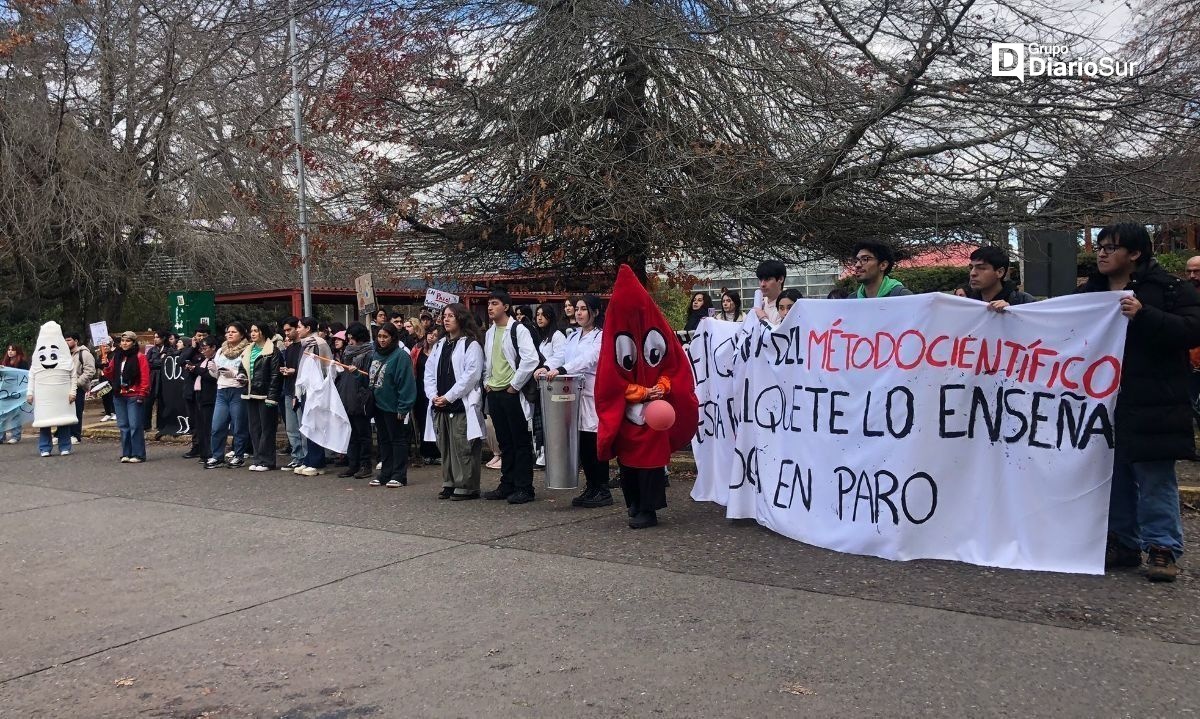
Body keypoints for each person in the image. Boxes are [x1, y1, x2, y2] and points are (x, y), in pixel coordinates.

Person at [1079, 223, 1200, 583]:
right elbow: (1052, 323)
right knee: (1111, 476)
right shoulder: (1089, 292)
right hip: (1103, 401)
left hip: (1153, 400)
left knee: (1154, 476)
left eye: (1110, 247)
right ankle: (1122, 542)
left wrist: (1144, 315)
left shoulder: (1169, 289)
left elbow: (1191, 331)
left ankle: (1162, 548)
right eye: (1099, 246)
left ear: (1134, 253)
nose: (1101, 253)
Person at [539, 295, 609, 507]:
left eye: (583, 309)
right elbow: (561, 356)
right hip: (573, 396)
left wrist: (562, 370)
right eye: (576, 309)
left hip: (590, 395)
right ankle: (591, 486)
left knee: (593, 442)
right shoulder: (572, 335)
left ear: (595, 312)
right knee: (581, 443)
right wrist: (546, 367)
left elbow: (588, 359)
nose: (578, 313)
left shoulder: (601, 336)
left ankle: (602, 489)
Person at [481, 289, 540, 504]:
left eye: (494, 303)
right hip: (495, 391)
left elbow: (530, 359)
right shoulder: (490, 332)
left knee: (520, 442)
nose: (490, 307)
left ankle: (525, 487)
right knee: (504, 442)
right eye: (489, 303)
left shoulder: (518, 329)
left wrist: (514, 386)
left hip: (511, 393)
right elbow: (489, 360)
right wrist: (488, 382)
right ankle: (507, 483)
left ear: (505, 307)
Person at [426, 303, 486, 500]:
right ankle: (449, 482)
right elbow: (429, 372)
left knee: (463, 447)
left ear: (460, 318)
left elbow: (471, 375)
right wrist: (433, 395)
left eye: (451, 315)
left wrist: (449, 396)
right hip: (440, 404)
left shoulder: (471, 344)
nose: (446, 319)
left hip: (461, 404)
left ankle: (467, 485)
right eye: (444, 316)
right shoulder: (440, 345)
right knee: (445, 446)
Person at [368, 322, 416, 487]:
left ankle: (399, 474)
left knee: (397, 439)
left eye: (385, 337)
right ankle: (385, 473)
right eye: (379, 336)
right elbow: (372, 380)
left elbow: (406, 383)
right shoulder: (375, 354)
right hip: (378, 405)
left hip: (393, 405)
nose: (382, 340)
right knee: (383, 440)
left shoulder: (401, 356)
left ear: (393, 338)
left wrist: (403, 407)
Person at [205, 322, 251, 469]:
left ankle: (238, 455)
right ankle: (217, 456)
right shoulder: (220, 350)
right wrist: (213, 370)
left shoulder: (247, 350)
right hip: (222, 390)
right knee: (217, 425)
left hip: (238, 389)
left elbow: (249, 374)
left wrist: (235, 374)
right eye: (227, 332)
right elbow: (216, 375)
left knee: (238, 426)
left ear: (242, 334)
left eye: (233, 332)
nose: (229, 334)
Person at [101, 331, 151, 463]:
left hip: (134, 394)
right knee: (123, 425)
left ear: (133, 342)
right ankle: (126, 453)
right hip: (119, 394)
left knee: (135, 425)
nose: (124, 343)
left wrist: (142, 392)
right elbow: (110, 374)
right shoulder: (117, 356)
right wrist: (105, 366)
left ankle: (138, 454)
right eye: (123, 341)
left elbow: (145, 376)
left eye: (128, 341)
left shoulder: (140, 357)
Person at [293, 316, 333, 476]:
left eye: (299, 327)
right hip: (306, 390)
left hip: (316, 390)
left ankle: (316, 461)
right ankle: (311, 459)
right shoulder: (307, 344)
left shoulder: (317, 343)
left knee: (315, 423)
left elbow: (324, 366)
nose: (297, 330)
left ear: (308, 328)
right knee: (309, 423)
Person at [335, 323, 375, 479]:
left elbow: (369, 377)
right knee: (350, 433)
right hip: (347, 395)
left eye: (352, 338)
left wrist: (358, 373)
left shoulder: (369, 353)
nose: (350, 341)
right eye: (348, 338)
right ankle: (353, 464)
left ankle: (365, 465)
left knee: (363, 434)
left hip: (360, 397)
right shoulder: (347, 352)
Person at [241, 322, 282, 472]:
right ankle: (258, 459)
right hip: (250, 394)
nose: (252, 333)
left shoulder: (273, 351)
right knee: (254, 429)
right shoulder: (247, 350)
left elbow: (275, 376)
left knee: (267, 429)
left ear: (263, 332)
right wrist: (241, 376)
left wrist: (272, 397)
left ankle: (268, 461)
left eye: (256, 331)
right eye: (251, 331)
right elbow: (242, 368)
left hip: (265, 395)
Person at [532, 302, 567, 466]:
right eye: (537, 314)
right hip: (542, 384)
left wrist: (545, 367)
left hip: (552, 382)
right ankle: (542, 453)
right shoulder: (542, 337)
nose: (539, 318)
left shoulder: (557, 336)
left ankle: (552, 455)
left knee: (552, 420)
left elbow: (560, 356)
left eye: (542, 315)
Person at [276, 317, 306, 470]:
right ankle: (297, 456)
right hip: (288, 389)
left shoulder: (305, 346)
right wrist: (285, 370)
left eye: (290, 329)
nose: (286, 333)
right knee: (291, 428)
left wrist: (294, 371)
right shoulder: (289, 348)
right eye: (285, 330)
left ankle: (306, 458)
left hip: (300, 391)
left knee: (302, 426)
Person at [965, 246, 1036, 311]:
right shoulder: (965, 303)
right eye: (971, 268)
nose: (972, 273)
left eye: (981, 268)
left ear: (999, 272)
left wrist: (1013, 311)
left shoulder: (1025, 302)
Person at [184, 336, 219, 463]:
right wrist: (192, 369)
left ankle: (210, 453)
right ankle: (204, 454)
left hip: (209, 396)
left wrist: (196, 369)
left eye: (205, 348)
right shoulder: (204, 360)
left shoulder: (216, 360)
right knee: (200, 426)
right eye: (201, 349)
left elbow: (212, 376)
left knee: (208, 426)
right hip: (199, 394)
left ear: (213, 347)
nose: (203, 351)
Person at [410, 326, 442, 466]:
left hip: (436, 391)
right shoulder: (418, 350)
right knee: (422, 421)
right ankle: (425, 452)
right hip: (419, 390)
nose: (431, 337)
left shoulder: (441, 351)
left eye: (435, 335)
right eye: (430, 333)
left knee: (435, 422)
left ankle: (437, 452)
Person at [65, 332, 96, 443]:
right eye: (65, 340)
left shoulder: (85, 354)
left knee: (77, 410)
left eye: (69, 340)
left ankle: (75, 435)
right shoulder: (63, 354)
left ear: (76, 341)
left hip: (78, 387)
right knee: (64, 411)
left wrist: (77, 383)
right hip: (64, 387)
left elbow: (90, 371)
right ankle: (62, 434)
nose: (66, 342)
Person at [1, 344, 30, 443]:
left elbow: (25, 375)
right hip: (6, 392)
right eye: (9, 349)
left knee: (16, 414)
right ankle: (1, 436)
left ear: (17, 351)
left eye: (12, 350)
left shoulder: (22, 363)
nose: (10, 352)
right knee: (2, 414)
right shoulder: (5, 363)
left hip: (18, 392)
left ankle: (15, 436)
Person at [143, 330, 168, 432]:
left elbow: (166, 362)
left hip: (163, 377)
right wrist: (159, 361)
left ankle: (161, 425)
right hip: (152, 377)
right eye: (155, 337)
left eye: (157, 337)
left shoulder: (168, 349)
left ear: (163, 338)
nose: (155, 339)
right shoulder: (151, 350)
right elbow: (147, 363)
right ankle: (146, 425)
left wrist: (157, 362)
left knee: (162, 402)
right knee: (148, 401)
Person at [1188, 255, 1200, 432]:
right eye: (1188, 271)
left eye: (1197, 271)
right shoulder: (1183, 295)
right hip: (1190, 364)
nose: (1192, 276)